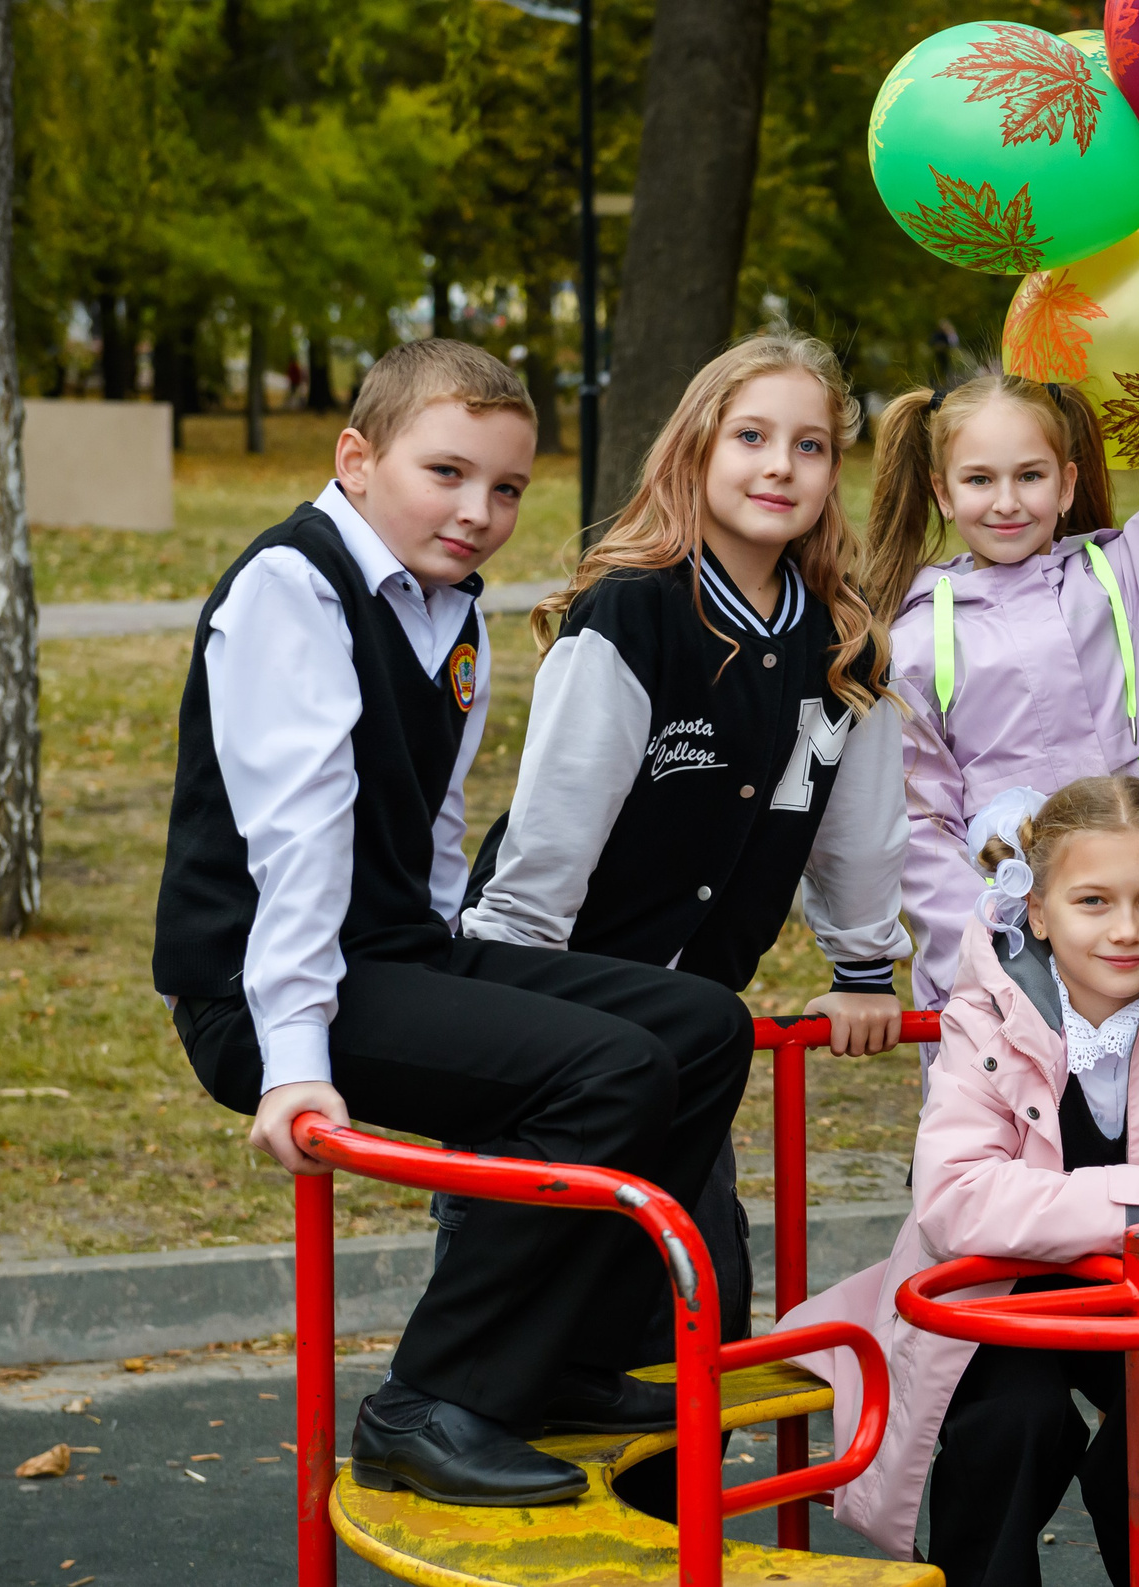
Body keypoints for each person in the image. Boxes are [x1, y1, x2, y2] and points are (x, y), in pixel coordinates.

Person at [152, 340, 755, 1506]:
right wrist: (291, 1065)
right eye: (446, 473)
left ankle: (571, 1357)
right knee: (608, 1071)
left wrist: (458, 967)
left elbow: (429, 827)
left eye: (508, 488)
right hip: (263, 988)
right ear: (357, 458)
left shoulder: (449, 612)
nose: (478, 512)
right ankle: (434, 1398)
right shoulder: (293, 586)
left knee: (700, 1026)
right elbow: (298, 843)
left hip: (383, 956)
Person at [456, 330, 911, 1377]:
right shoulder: (635, 612)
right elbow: (556, 823)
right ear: (695, 450)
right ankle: (481, 1433)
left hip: (687, 1039)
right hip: (559, 1005)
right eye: (750, 436)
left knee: (704, 1291)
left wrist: (859, 965)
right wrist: (511, 991)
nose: (778, 466)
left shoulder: (844, 645)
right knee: (538, 1264)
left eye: (808, 446)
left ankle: (671, 1526)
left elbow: (854, 825)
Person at [780, 777, 1139, 1587]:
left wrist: (1089, 1207)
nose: (1127, 930)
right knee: (1011, 1421)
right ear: (1037, 909)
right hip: (990, 1293)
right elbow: (957, 1198)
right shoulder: (987, 1010)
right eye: (1092, 900)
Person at [863, 196, 1139, 1028]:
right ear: (943, 491)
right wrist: (988, 969)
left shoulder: (1122, 576)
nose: (1007, 502)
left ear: (1067, 481)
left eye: (1030, 477)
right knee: (1006, 1158)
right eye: (980, 481)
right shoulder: (912, 636)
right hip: (1001, 977)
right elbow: (919, 825)